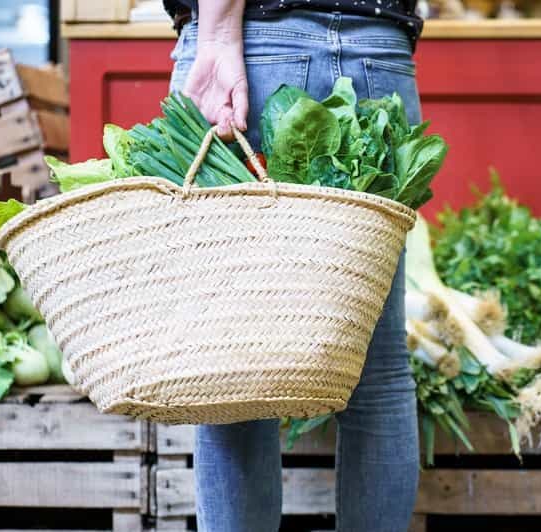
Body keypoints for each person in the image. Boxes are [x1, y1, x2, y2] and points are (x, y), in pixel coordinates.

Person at [163, 1, 424, 530]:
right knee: (378, 369)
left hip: (258, 44)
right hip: (381, 50)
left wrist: (215, 38)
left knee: (232, 372)